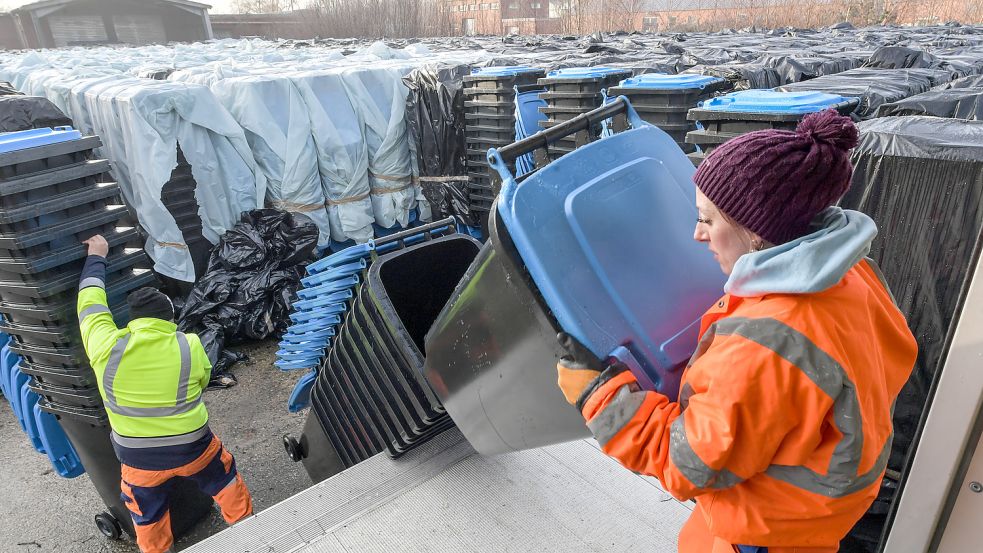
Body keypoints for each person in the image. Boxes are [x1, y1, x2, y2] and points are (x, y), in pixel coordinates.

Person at [556, 110, 917, 553]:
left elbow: (689, 464)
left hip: (762, 534)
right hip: (806, 512)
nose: (696, 235)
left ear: (757, 235)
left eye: (707, 220)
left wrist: (599, 395)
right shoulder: (852, 274)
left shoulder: (768, 340)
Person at [77, 235, 253, 553]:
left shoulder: (104, 346)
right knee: (224, 479)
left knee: (146, 515)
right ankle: (249, 529)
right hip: (193, 448)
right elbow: (200, 385)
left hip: (138, 460)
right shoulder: (189, 346)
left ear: (134, 321)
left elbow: (89, 303)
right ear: (169, 319)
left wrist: (96, 256)